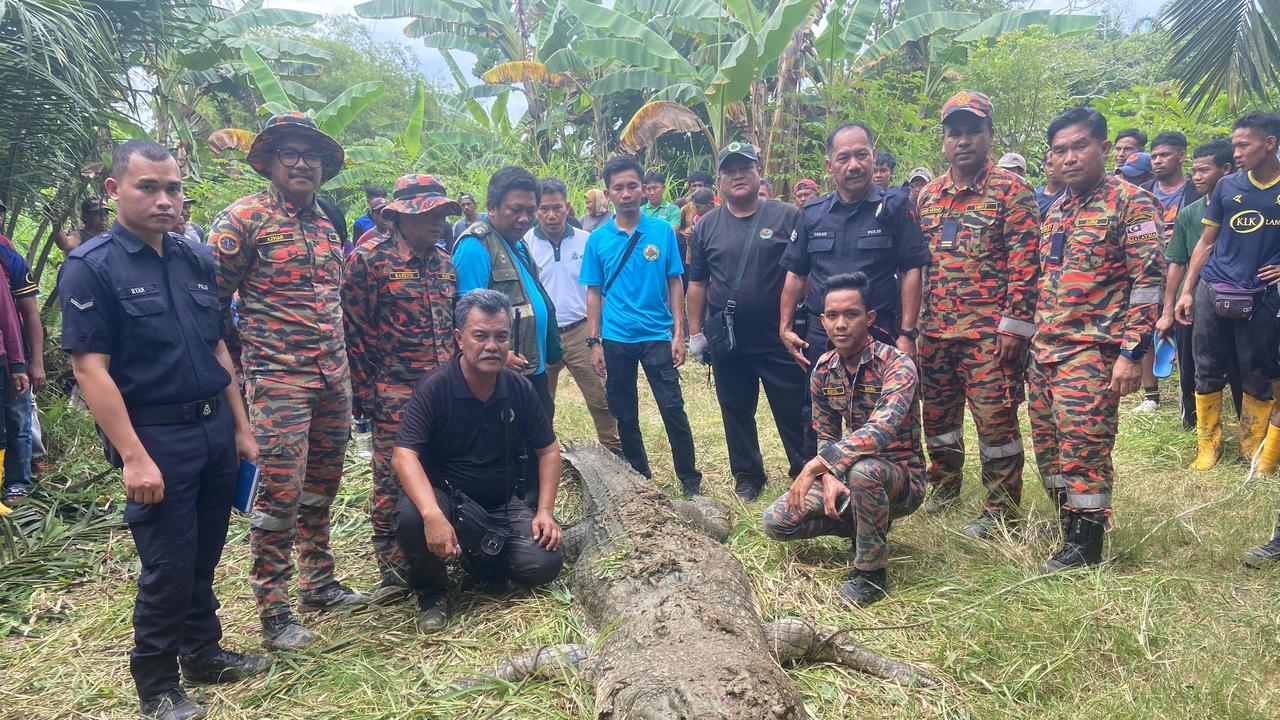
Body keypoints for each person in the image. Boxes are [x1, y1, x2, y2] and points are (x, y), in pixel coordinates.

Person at [59, 140, 268, 719]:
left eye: (173, 188)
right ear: (115, 190)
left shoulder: (194, 258)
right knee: (167, 565)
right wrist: (133, 456)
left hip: (212, 429)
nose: (164, 200)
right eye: (147, 187)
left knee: (204, 553)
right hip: (155, 438)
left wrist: (241, 427)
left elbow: (219, 347)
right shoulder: (91, 266)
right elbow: (89, 368)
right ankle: (157, 684)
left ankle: (203, 651)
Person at [209, 112, 367, 651]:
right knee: (278, 493)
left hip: (332, 375)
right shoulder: (243, 219)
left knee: (322, 484)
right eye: (291, 154)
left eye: (312, 156)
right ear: (269, 160)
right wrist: (240, 365)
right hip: (278, 380)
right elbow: (211, 304)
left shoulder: (327, 219)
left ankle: (317, 582)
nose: (303, 164)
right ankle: (274, 612)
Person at [1031, 107, 1163, 572]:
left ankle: (1086, 546)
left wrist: (1131, 353)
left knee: (1085, 445)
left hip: (1093, 350)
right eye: (1060, 150)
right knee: (1049, 447)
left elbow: (1148, 283)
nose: (1069, 158)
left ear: (1104, 149)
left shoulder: (1131, 203)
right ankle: (1068, 526)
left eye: (1079, 146)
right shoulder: (1056, 209)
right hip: (1046, 349)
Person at [391, 289, 564, 633]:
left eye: (501, 337)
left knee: (544, 564)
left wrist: (544, 511)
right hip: (448, 500)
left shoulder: (518, 388)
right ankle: (431, 591)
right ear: (459, 338)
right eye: (480, 336)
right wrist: (432, 515)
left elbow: (548, 449)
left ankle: (480, 558)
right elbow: (403, 455)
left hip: (500, 503)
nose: (491, 346)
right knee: (410, 517)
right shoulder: (435, 388)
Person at [914, 90, 1041, 536]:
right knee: (938, 421)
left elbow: (1026, 264)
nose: (963, 141)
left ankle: (1000, 507)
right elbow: (917, 266)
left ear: (989, 135)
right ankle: (944, 483)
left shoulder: (1012, 191)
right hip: (934, 332)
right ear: (944, 141)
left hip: (990, 335)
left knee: (996, 420)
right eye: (955, 134)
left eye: (973, 132)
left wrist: (1015, 328)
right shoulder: (927, 196)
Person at [761, 272, 924, 606]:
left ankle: (871, 573)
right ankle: (862, 526)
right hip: (849, 471)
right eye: (832, 316)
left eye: (851, 314)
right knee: (778, 522)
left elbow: (881, 430)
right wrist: (830, 475)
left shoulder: (897, 365)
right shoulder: (823, 369)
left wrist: (817, 467)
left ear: (869, 318)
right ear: (822, 320)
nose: (840, 324)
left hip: (901, 479)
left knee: (865, 471)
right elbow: (826, 432)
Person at [779, 121, 930, 458]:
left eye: (862, 155)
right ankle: (816, 483)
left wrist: (907, 332)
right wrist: (785, 326)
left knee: (886, 411)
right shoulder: (812, 214)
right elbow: (796, 273)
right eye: (844, 157)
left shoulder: (894, 207)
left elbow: (911, 269)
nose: (854, 164)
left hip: (879, 331)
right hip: (823, 335)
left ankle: (880, 484)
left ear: (873, 158)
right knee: (817, 412)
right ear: (829, 165)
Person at [342, 174, 460, 606]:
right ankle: (395, 572)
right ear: (401, 218)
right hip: (393, 390)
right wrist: (365, 395)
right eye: (429, 215)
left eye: (441, 215)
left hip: (444, 390)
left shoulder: (445, 264)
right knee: (392, 481)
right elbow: (353, 332)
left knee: (441, 470)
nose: (438, 223)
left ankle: (443, 555)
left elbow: (452, 329)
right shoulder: (369, 260)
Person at [686, 143, 808, 501]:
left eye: (745, 168)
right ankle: (748, 476)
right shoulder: (706, 225)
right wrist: (695, 333)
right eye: (729, 170)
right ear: (720, 179)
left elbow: (805, 273)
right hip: (729, 341)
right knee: (736, 411)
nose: (738, 175)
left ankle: (804, 471)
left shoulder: (787, 216)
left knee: (793, 409)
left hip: (779, 338)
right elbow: (697, 283)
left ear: (758, 174)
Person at [582, 155, 702, 497]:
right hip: (617, 338)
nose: (626, 193)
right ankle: (640, 475)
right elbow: (594, 292)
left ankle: (690, 480)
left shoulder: (662, 231)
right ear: (608, 193)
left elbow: (675, 281)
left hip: (656, 337)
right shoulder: (598, 239)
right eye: (618, 188)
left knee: (672, 408)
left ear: (642, 188)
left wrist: (679, 334)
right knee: (624, 412)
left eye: (632, 186)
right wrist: (595, 341)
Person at [1175, 112, 1280, 480]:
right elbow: (1207, 241)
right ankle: (1208, 446)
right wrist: (1187, 291)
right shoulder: (1227, 187)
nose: (1236, 152)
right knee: (1206, 366)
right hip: (1214, 288)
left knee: (1257, 370)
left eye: (1243, 145)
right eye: (1234, 144)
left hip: (1262, 296)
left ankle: (1252, 446)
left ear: (1269, 144)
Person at [452, 166, 560, 424]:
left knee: (538, 436)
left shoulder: (518, 242)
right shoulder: (475, 245)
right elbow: (465, 315)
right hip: (503, 372)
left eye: (530, 211)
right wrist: (502, 355)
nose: (525, 218)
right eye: (516, 210)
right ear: (492, 207)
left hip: (531, 367)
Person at [526, 177, 622, 452]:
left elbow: (600, 287)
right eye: (544, 208)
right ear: (535, 210)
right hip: (542, 335)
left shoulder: (587, 241)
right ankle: (540, 456)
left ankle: (614, 450)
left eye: (557, 207)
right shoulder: (525, 244)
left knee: (601, 398)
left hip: (582, 331)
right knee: (541, 402)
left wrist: (599, 335)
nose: (551, 215)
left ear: (567, 207)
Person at [1157, 139, 1241, 433]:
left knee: (1239, 365)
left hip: (1237, 296)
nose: (1197, 177)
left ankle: (1248, 427)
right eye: (1194, 171)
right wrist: (1169, 308)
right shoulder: (1189, 214)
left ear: (1226, 169)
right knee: (1192, 364)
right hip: (1192, 299)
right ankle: (1195, 424)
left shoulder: (1245, 207)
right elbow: (1177, 262)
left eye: (1204, 170)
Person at [1131, 131, 1202, 415]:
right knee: (1144, 329)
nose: (1158, 161)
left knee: (1187, 334)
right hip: (1147, 274)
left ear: (1182, 155)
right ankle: (1151, 395)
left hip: (1186, 275)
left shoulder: (1196, 191)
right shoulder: (1143, 192)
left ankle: (1193, 393)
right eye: (1155, 156)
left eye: (1165, 155)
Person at [0, 234, 43, 506]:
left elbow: (28, 313)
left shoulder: (8, 256)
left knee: (17, 418)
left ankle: (17, 483)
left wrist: (34, 362)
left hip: (11, 355)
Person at [1035, 152, 1066, 217]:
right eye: (1050, 164)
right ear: (1044, 167)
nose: (1053, 169)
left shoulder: (1071, 194)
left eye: (1056, 164)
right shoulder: (1035, 196)